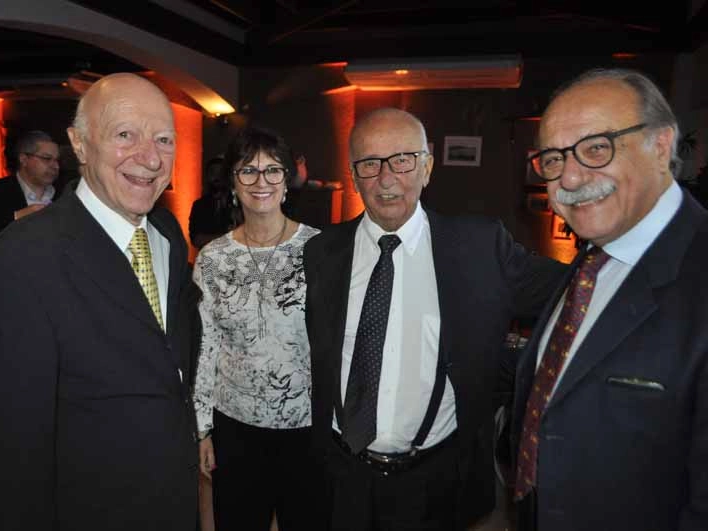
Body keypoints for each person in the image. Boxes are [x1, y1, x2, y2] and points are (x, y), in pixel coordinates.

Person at [303, 107, 565, 531]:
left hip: (437, 481)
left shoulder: (480, 248)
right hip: (340, 476)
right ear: (353, 176)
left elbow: (577, 293)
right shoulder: (321, 253)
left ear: (427, 167)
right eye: (370, 164)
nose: (386, 179)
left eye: (403, 160)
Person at [0, 73, 199, 531]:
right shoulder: (17, 264)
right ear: (80, 144)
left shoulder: (166, 233)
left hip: (171, 499)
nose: (149, 158)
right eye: (125, 134)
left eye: (164, 139)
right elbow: (6, 457)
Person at [512, 68, 708, 531]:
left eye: (597, 148)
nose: (572, 177)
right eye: (555, 158)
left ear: (661, 147)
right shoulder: (595, 258)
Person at [193, 126, 320, 531]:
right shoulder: (212, 258)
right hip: (236, 426)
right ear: (233, 182)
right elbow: (205, 346)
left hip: (309, 427)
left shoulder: (321, 250)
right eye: (247, 171)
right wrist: (202, 430)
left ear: (287, 181)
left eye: (272, 171)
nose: (260, 182)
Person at [0, 129, 60, 254]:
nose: (55, 166)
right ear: (24, 159)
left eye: (57, 160)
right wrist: (17, 217)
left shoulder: (66, 195)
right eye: (47, 159)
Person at [188, 156, 234, 250]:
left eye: (220, 173)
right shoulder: (200, 205)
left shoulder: (237, 203)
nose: (217, 177)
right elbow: (197, 239)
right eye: (213, 173)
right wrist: (227, 237)